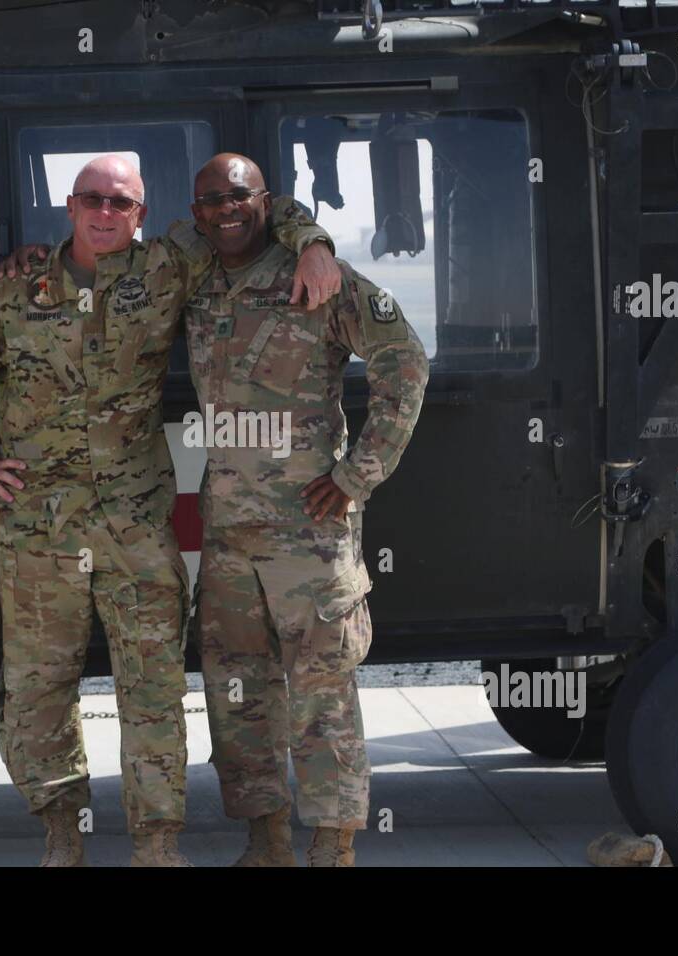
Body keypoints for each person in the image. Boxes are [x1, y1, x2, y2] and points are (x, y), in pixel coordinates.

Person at [0, 154, 338, 867]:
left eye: (121, 203)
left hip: (136, 527)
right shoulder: (12, 294)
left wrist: (315, 243)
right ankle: (61, 835)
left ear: (141, 215)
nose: (106, 212)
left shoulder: (166, 270)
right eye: (92, 200)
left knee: (154, 689)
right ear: (70, 208)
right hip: (37, 532)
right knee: (39, 689)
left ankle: (157, 845)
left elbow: (249, 209)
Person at [184, 154, 429, 866]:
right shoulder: (195, 275)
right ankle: (266, 844)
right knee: (238, 698)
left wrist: (359, 475)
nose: (225, 210)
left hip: (310, 535)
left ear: (265, 201)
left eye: (239, 197)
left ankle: (333, 846)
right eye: (210, 201)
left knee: (323, 698)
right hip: (229, 534)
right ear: (197, 213)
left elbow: (405, 364)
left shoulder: (314, 276)